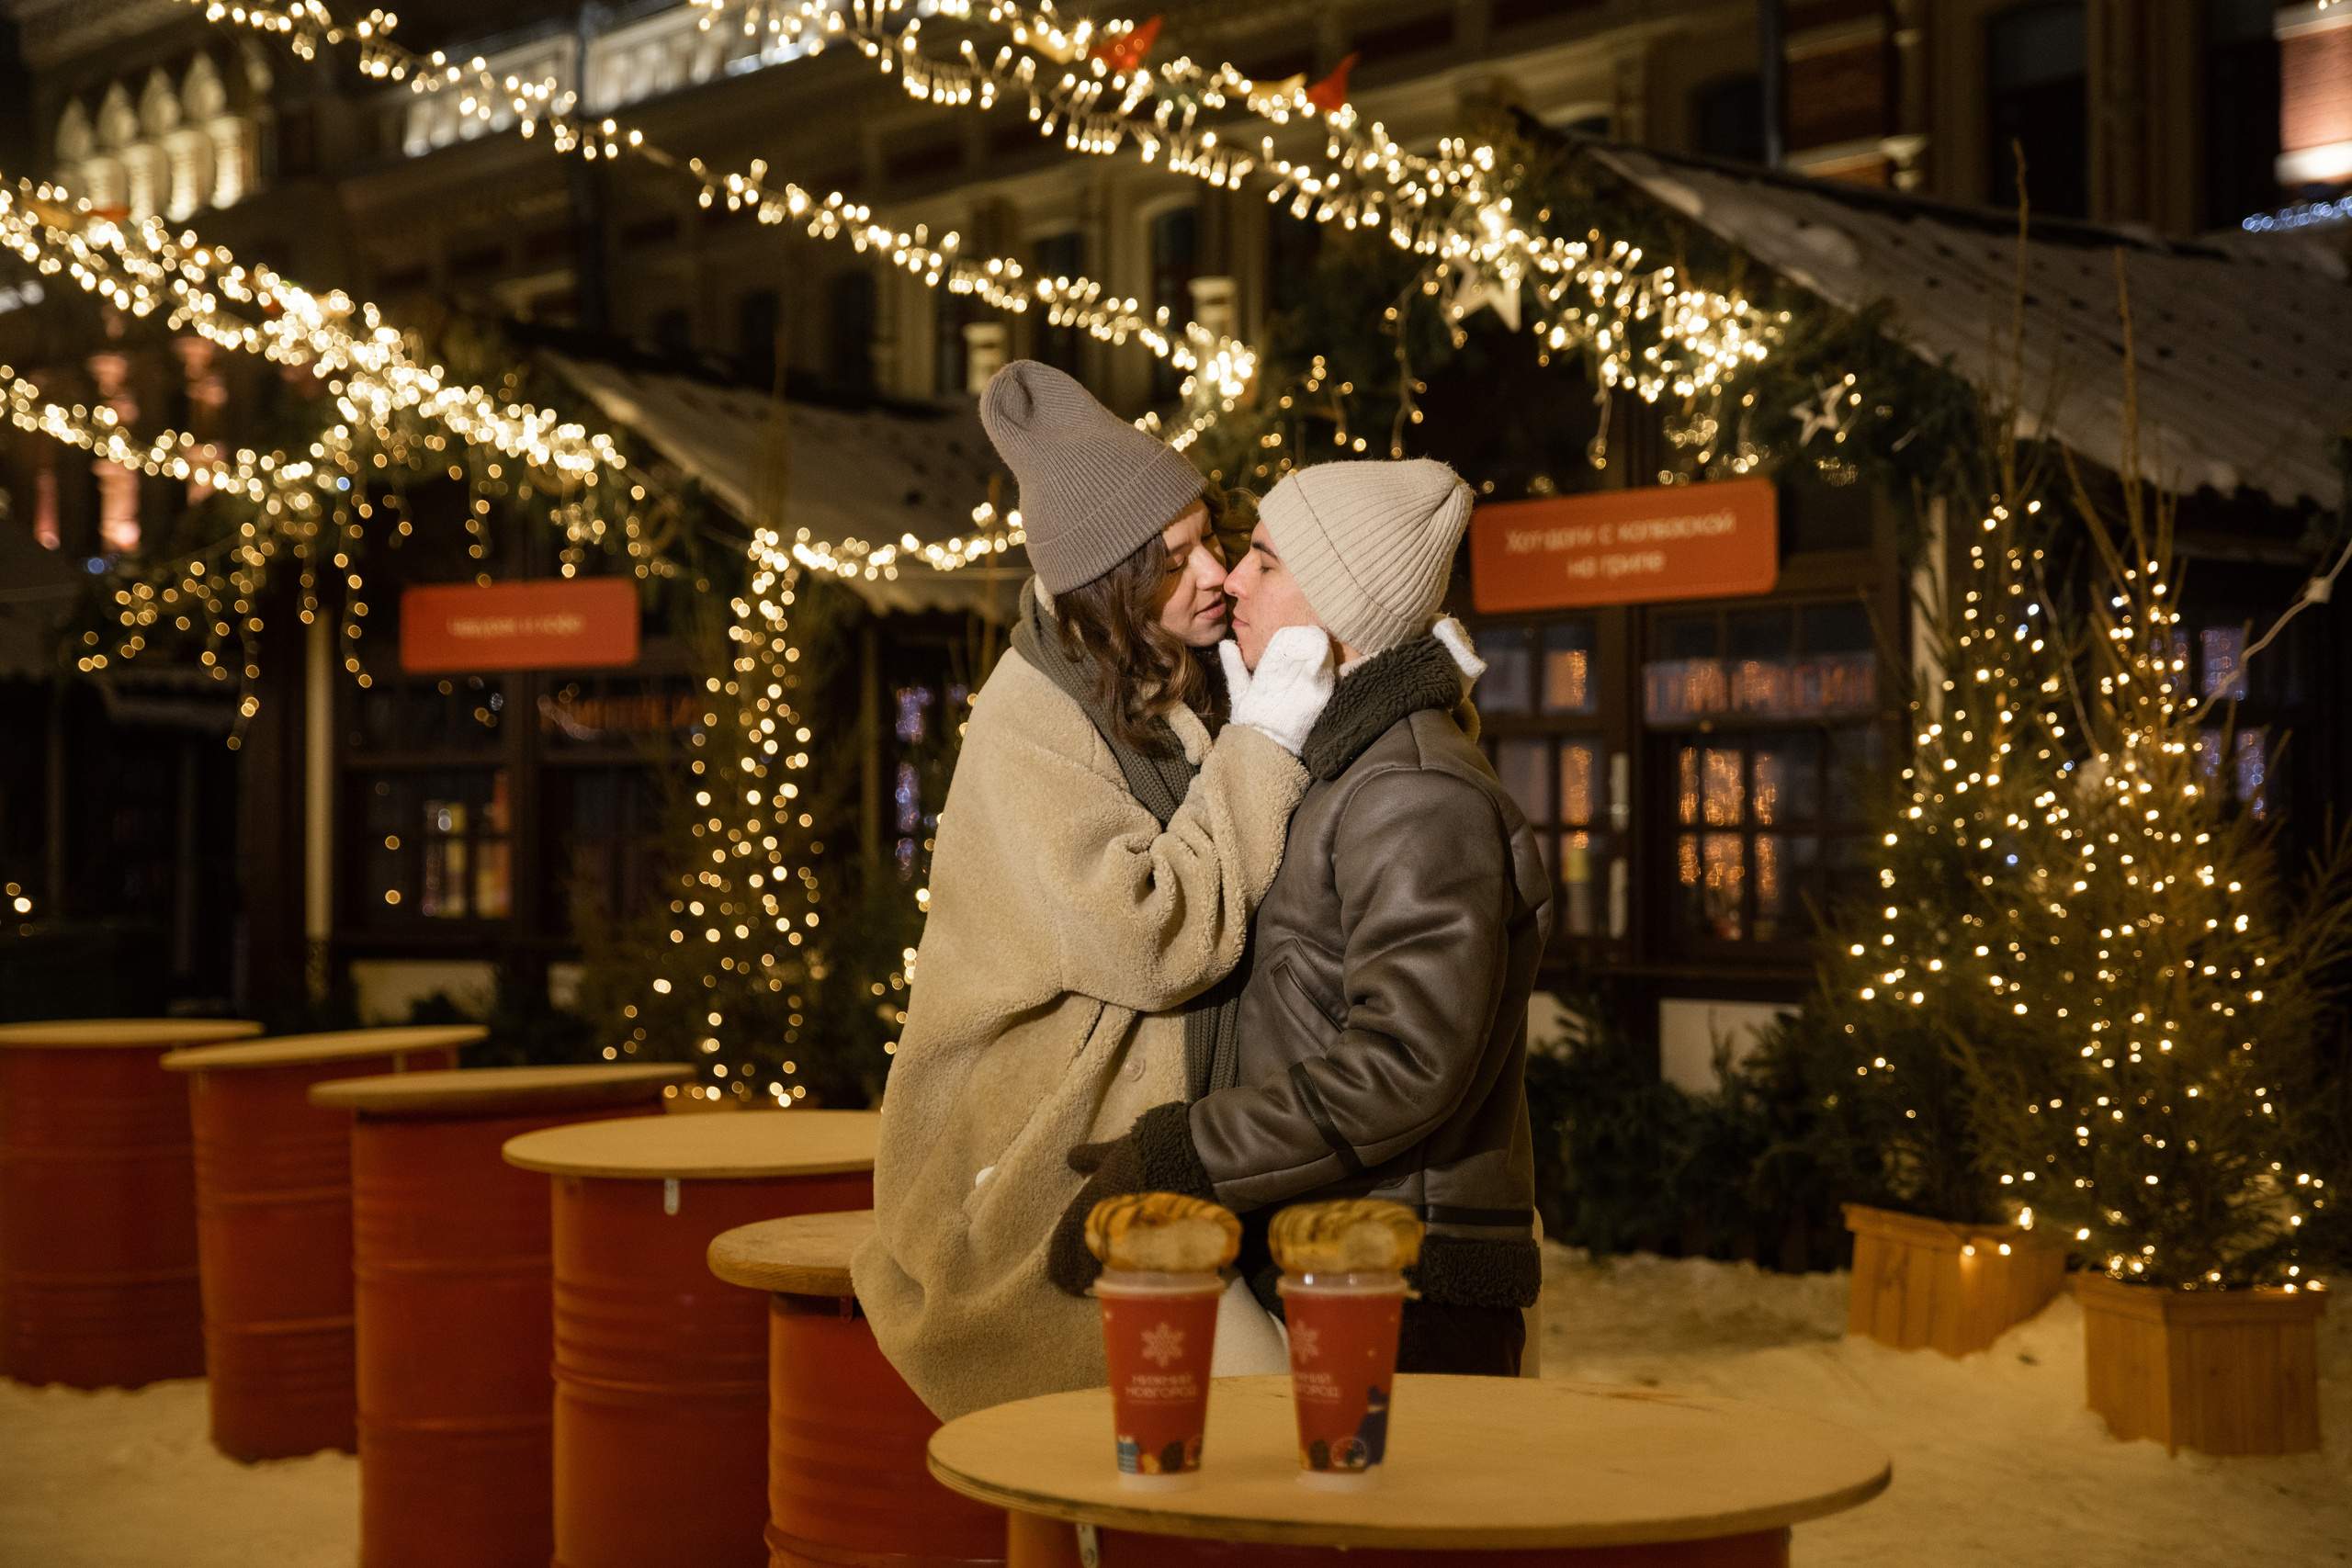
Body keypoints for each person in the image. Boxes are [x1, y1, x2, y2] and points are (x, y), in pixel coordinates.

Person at [852, 362, 1335, 1419]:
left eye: (1212, 538)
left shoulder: (1164, 684)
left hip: (1174, 1150)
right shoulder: (1034, 719)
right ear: (1106, 586)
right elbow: (1154, 940)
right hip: (1042, 1168)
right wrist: (1263, 743)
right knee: (1268, 1420)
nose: (1213, 573)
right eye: (1174, 560)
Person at [1046, 457, 1552, 1376]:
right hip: (1341, 1250)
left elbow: (1406, 1065)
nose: (1232, 577)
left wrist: (1184, 1151)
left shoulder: (1412, 794)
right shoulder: (1340, 773)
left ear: (1343, 607)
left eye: (1269, 562)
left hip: (1402, 1283)